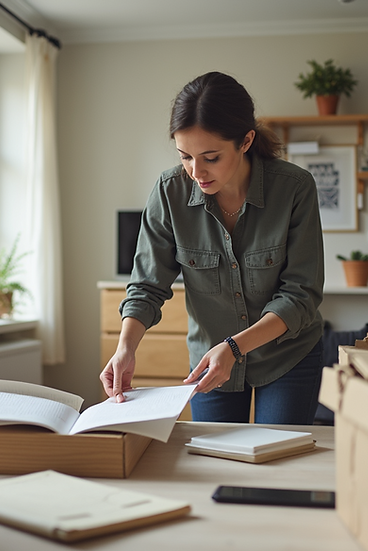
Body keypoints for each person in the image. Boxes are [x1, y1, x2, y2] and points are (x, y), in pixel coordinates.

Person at [99, 71, 325, 424]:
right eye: (185, 156)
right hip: (210, 360)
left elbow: (301, 296)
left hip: (287, 358)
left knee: (278, 468)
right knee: (213, 469)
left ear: (246, 140)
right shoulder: (169, 191)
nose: (196, 171)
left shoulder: (294, 188)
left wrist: (235, 347)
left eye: (211, 157)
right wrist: (125, 348)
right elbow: (146, 284)